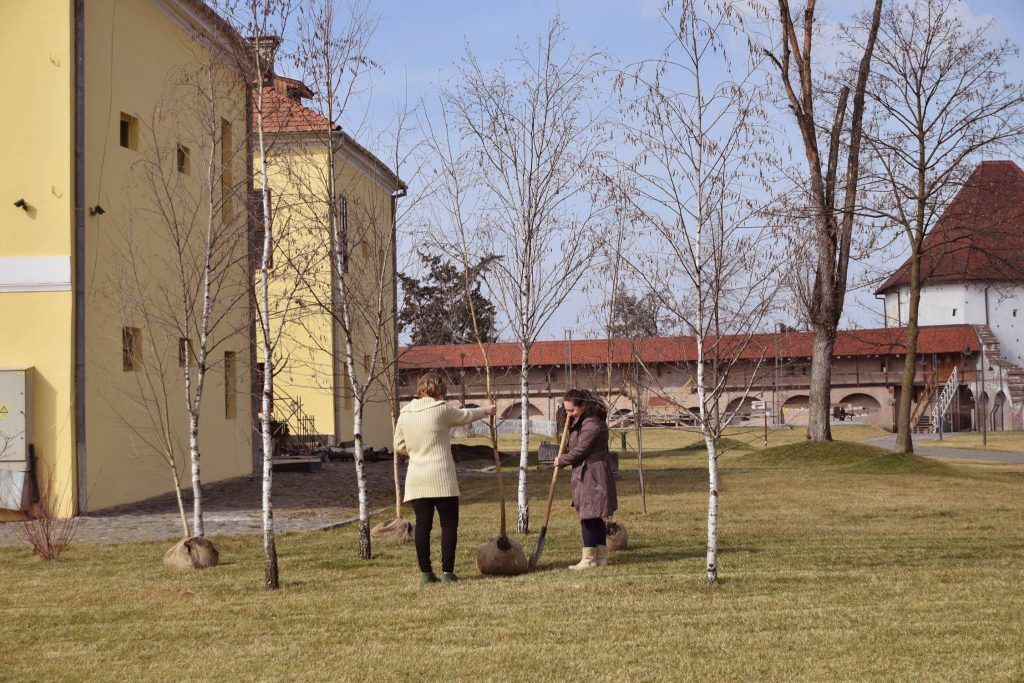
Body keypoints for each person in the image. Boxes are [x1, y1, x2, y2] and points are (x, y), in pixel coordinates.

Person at [394, 372, 496, 585]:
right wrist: (486, 410)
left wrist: (415, 451)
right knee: (449, 525)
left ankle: (425, 573)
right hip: (442, 477)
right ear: (440, 390)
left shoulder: (405, 412)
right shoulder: (441, 410)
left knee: (423, 526)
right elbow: (464, 415)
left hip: (417, 478)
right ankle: (448, 573)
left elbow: (398, 445)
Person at [554, 388, 618, 570]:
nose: (569, 414)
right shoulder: (582, 421)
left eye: (571, 410)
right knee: (594, 516)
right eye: (566, 410)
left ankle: (589, 559)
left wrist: (561, 460)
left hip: (592, 474)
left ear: (583, 406)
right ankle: (600, 558)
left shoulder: (592, 425)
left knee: (589, 516)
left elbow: (581, 450)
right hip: (587, 472)